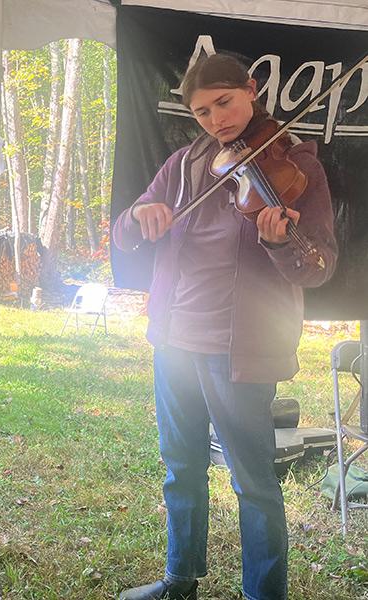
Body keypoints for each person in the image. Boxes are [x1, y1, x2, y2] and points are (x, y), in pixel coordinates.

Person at [113, 53, 337, 600]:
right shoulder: (187, 162)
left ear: (252, 90)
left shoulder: (296, 165)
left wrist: (280, 241)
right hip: (174, 340)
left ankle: (265, 595)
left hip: (241, 347)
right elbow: (125, 230)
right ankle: (178, 580)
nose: (216, 120)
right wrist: (138, 220)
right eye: (202, 112)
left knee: (254, 481)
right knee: (180, 465)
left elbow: (320, 265)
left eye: (225, 103)